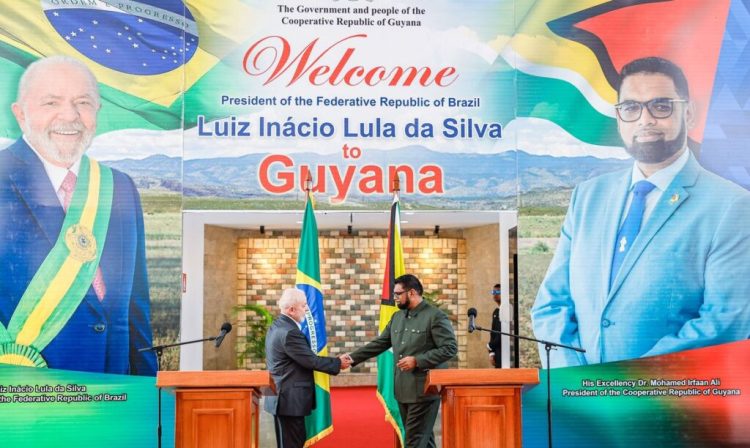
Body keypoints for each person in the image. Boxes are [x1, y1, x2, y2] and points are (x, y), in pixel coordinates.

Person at [531, 56, 750, 368]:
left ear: (688, 113)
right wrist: (576, 383)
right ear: (620, 118)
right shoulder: (588, 197)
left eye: (660, 106)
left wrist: (629, 386)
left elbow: (725, 323)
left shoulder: (732, 206)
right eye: (631, 108)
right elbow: (551, 305)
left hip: (669, 407)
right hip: (583, 404)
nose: (644, 119)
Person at [0, 55, 156, 375]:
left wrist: (145, 394)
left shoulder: (120, 187)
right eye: (51, 102)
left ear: (97, 112)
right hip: (25, 395)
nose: (69, 116)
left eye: (83, 102)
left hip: (114, 394)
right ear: (20, 113)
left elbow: (135, 308)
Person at [342, 274, 457, 448]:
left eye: (398, 294)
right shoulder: (397, 317)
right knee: (423, 442)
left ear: (411, 293)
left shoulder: (435, 316)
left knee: (413, 441)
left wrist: (418, 361)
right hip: (403, 390)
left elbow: (449, 348)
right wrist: (352, 358)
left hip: (424, 390)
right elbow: (380, 343)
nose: (395, 298)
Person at [264, 288, 350, 448]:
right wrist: (338, 363)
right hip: (288, 399)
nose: (307, 309)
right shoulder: (289, 332)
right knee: (293, 443)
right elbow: (310, 361)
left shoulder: (276, 326)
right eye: (303, 306)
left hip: (280, 397)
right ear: (291, 310)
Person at [487, 284, 510, 368]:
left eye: (498, 292)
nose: (495, 294)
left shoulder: (507, 310)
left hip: (505, 354)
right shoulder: (496, 312)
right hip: (497, 353)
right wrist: (491, 352)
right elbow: (492, 333)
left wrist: (490, 346)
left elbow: (502, 333)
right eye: (493, 292)